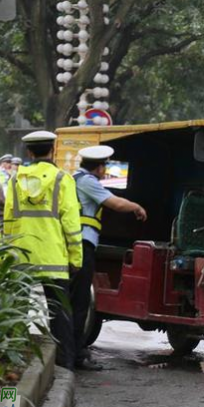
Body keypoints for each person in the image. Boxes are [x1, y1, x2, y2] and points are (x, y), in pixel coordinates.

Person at [4, 131, 83, 370]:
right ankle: (65, 362)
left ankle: (13, 358)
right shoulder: (63, 179)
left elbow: (9, 219)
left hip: (22, 255)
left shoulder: (16, 179)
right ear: (53, 149)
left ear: (29, 152)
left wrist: (9, 253)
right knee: (60, 314)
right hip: (54, 258)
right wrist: (76, 258)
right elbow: (71, 223)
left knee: (18, 311)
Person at [71, 146, 147, 370]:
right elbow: (114, 203)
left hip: (75, 243)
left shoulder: (74, 179)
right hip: (82, 244)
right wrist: (136, 207)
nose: (105, 170)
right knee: (80, 301)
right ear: (99, 166)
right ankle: (76, 354)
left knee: (75, 299)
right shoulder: (87, 182)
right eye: (105, 165)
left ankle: (70, 351)